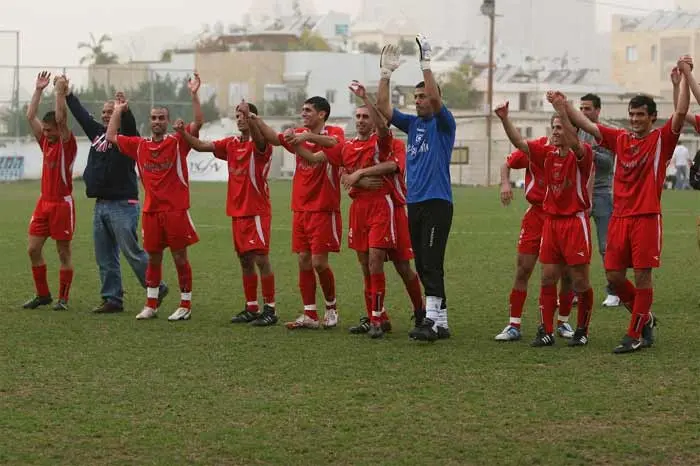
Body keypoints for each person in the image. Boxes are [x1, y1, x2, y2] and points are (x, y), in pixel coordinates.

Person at [562, 55, 692, 353]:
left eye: (640, 115)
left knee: (643, 275)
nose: (634, 119)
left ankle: (635, 333)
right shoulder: (620, 138)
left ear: (652, 117)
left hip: (646, 217)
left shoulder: (661, 140)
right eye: (631, 114)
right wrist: (562, 106)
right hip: (620, 218)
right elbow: (589, 125)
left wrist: (684, 77)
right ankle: (644, 317)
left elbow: (682, 110)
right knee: (614, 278)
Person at [106, 72, 204, 321]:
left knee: (180, 257)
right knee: (153, 257)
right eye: (154, 118)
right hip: (151, 211)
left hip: (176, 210)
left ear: (168, 121)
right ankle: (151, 304)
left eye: (161, 118)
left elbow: (198, 123)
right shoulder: (140, 145)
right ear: (149, 122)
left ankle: (185, 304)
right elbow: (110, 136)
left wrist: (193, 95)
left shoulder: (177, 141)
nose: (157, 121)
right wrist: (118, 109)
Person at [375, 36, 455, 342]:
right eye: (417, 97)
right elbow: (384, 108)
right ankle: (441, 321)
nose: (419, 100)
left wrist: (426, 67)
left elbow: (436, 101)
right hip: (416, 202)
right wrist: (385, 74)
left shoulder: (443, 123)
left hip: (437, 202)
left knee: (431, 262)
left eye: (423, 96)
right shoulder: (414, 124)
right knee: (423, 263)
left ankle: (431, 321)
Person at [65, 87, 168, 313]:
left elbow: (129, 125)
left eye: (110, 112)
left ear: (119, 114)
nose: (105, 115)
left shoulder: (128, 138)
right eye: (103, 112)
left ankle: (156, 286)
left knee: (131, 252)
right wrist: (68, 95)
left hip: (123, 204)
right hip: (100, 203)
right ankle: (112, 298)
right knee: (104, 255)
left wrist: (125, 111)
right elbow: (81, 115)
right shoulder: (97, 134)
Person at [175, 102, 278, 326]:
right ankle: (252, 307)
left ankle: (270, 309)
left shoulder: (262, 145)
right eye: (237, 115)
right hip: (237, 211)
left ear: (253, 118)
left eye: (244, 115)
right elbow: (201, 146)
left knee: (261, 258)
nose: (240, 118)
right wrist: (183, 133)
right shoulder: (231, 143)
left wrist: (253, 119)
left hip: (256, 210)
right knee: (244, 259)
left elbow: (260, 140)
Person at [250, 97, 344, 329]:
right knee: (303, 260)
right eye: (302, 110)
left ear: (322, 114)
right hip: (301, 208)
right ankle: (310, 314)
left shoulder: (335, 132)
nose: (303, 113)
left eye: (308, 110)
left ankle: (331, 307)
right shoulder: (300, 131)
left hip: (323, 208)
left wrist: (305, 137)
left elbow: (331, 146)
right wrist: (256, 119)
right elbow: (274, 138)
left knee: (319, 263)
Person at [495, 136, 576, 342]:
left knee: (566, 273)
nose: (559, 131)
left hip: (562, 217)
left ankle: (563, 321)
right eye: (556, 126)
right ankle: (514, 324)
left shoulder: (576, 152)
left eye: (563, 127)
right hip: (536, 216)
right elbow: (507, 163)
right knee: (524, 268)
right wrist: (505, 184)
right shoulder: (536, 148)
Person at [22, 72, 77, 311]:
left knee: (63, 252)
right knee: (33, 249)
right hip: (43, 203)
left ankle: (63, 299)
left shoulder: (66, 142)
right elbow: (30, 115)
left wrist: (58, 92)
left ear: (59, 129)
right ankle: (42, 294)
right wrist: (38, 89)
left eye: (49, 130)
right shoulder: (46, 142)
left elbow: (62, 118)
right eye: (43, 130)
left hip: (62, 205)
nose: (45, 134)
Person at [578, 93, 620, 307]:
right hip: (579, 194)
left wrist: (589, 153)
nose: (584, 112)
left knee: (606, 245)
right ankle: (576, 290)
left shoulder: (604, 133)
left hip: (602, 194)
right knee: (575, 246)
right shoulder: (575, 131)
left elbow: (608, 163)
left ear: (597, 111)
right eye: (581, 108)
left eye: (588, 109)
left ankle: (614, 290)